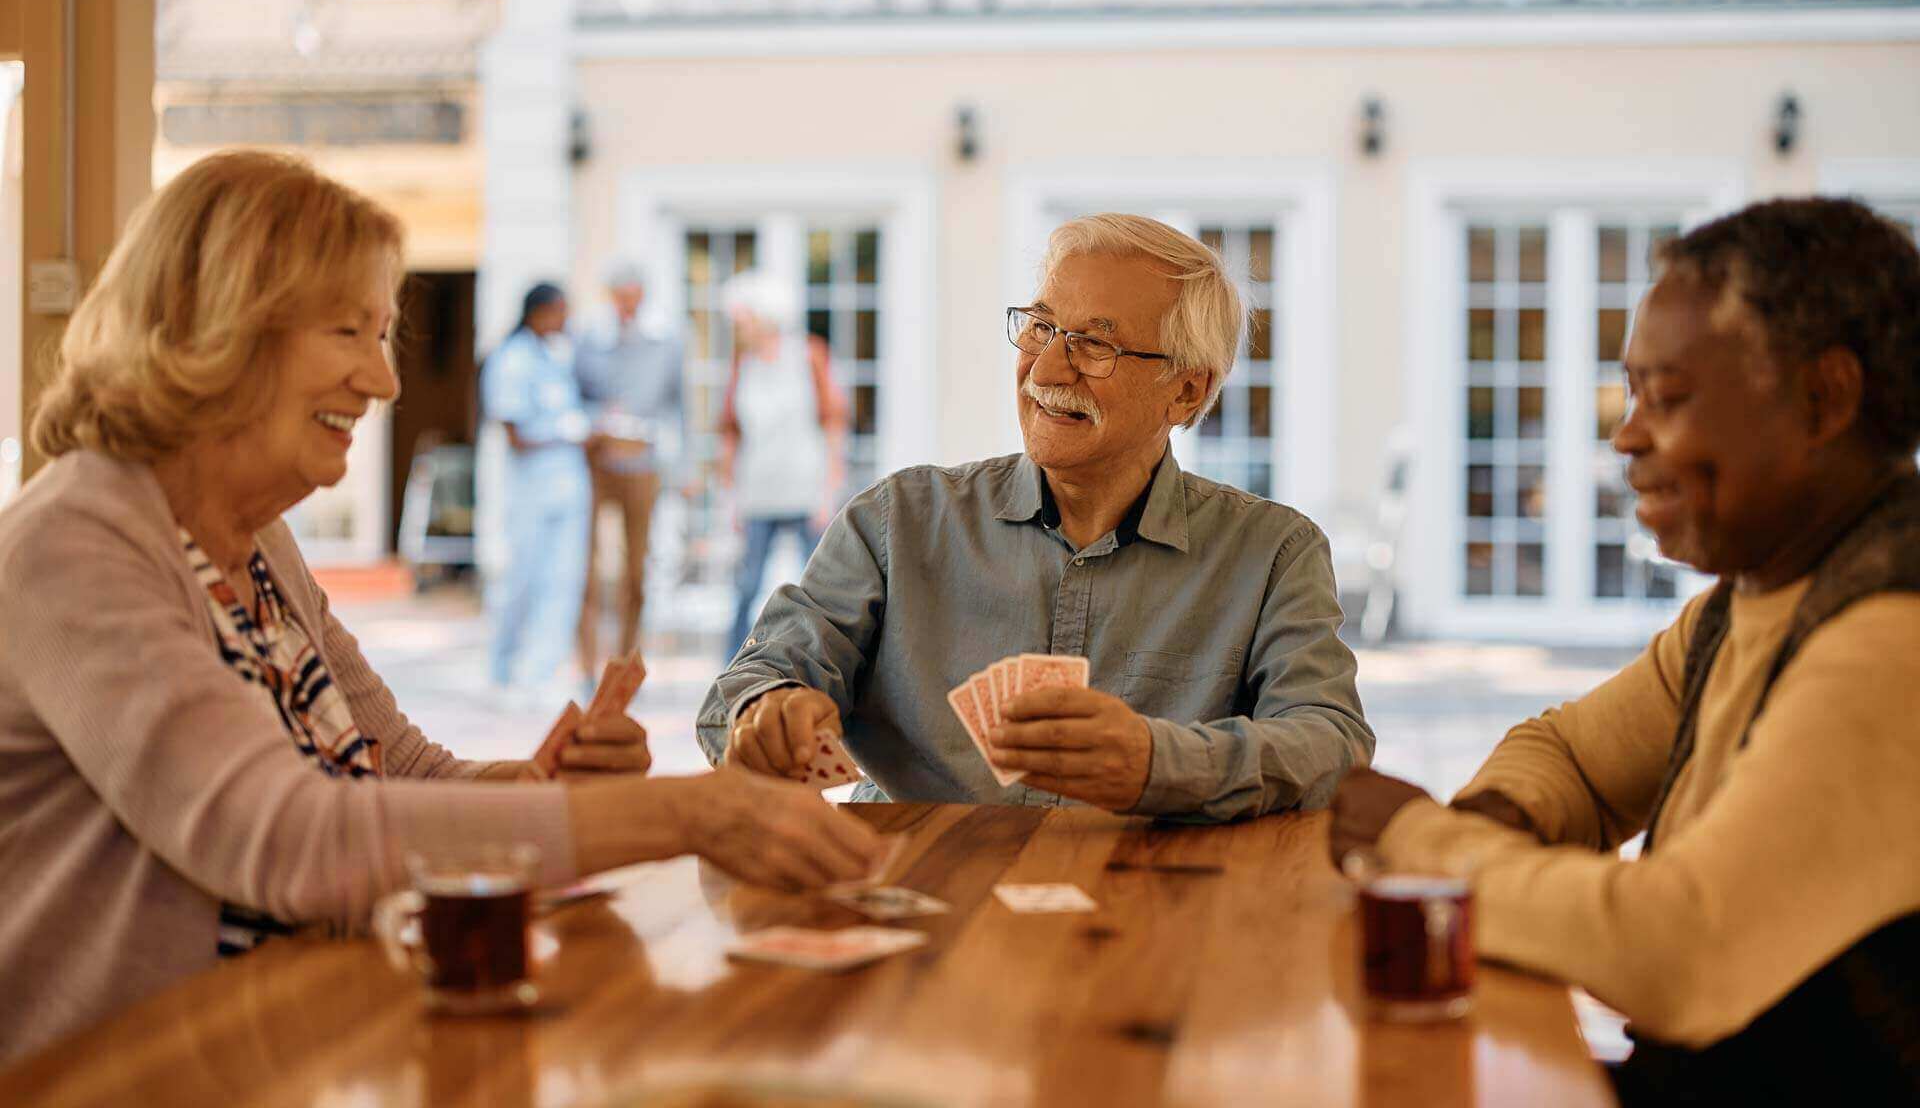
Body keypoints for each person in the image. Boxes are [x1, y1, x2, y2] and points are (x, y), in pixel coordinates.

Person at [0, 151, 882, 1062]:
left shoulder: (255, 537)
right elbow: (288, 838)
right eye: (349, 333)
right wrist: (684, 814)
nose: (383, 383)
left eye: (382, 338)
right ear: (219, 327)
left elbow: (400, 770)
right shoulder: (75, 541)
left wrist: (541, 792)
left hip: (284, 1053)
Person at [1328, 198, 1920, 1105]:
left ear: (1824, 398)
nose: (1627, 436)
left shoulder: (1891, 639)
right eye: (1631, 392)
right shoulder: (1751, 599)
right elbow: (1573, 756)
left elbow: (1679, 950)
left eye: (1670, 398)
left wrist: (1423, 844)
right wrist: (1501, 820)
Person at [697, 215, 1370, 822]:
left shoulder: (1274, 552)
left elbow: (1332, 744)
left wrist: (1156, 762)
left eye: (1094, 345)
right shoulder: (895, 522)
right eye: (1042, 327)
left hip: (1151, 913)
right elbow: (741, 693)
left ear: (1187, 389)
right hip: (919, 909)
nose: (1046, 367)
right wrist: (764, 713)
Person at [718, 270, 849, 659]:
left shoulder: (809, 355)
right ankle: (733, 666)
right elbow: (731, 432)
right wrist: (731, 498)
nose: (737, 329)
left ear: (763, 318)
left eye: (742, 321)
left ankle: (829, 659)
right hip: (757, 491)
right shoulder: (743, 364)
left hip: (805, 488)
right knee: (746, 586)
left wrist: (830, 489)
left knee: (821, 583)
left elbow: (833, 423)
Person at [573, 258, 683, 677]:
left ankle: (623, 665)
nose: (627, 307)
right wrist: (596, 418)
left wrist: (684, 468)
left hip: (643, 465)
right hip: (596, 465)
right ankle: (585, 665)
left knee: (636, 571)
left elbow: (679, 407)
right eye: (620, 299)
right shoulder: (589, 339)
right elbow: (574, 395)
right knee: (587, 568)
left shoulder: (666, 342)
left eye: (633, 299)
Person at [482, 282, 591, 696]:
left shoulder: (556, 357)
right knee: (521, 580)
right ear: (539, 312)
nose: (566, 320)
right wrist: (567, 435)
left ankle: (542, 673)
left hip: (569, 489)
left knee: (563, 581)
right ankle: (503, 667)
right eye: (561, 311)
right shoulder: (512, 360)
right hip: (532, 491)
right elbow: (513, 434)